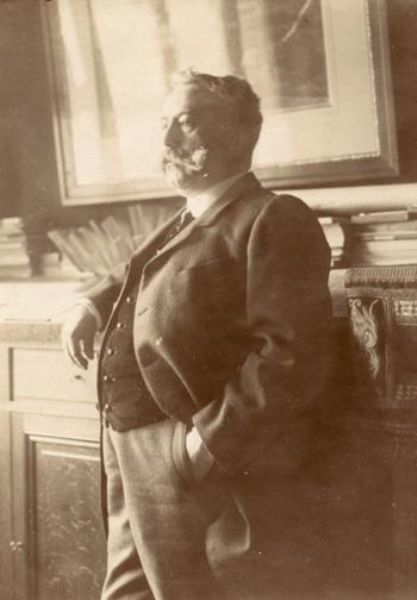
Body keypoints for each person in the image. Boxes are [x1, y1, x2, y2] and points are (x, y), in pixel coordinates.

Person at [62, 70, 332, 600]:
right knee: (128, 592)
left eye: (185, 123)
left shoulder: (272, 217)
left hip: (187, 449)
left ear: (238, 131)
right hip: (127, 441)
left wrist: (203, 445)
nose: (166, 140)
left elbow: (289, 356)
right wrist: (89, 305)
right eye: (164, 122)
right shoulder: (186, 217)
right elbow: (136, 270)